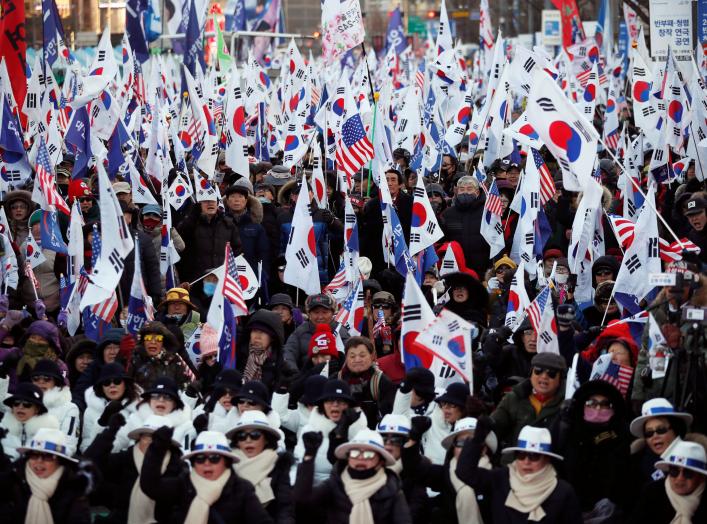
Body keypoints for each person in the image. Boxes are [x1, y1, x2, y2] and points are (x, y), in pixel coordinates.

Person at [457, 422, 582, 522]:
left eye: (534, 456)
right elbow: (465, 472)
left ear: (546, 458)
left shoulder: (563, 492)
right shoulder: (500, 478)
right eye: (521, 455)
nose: (526, 461)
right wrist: (477, 440)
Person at [140, 429, 273, 523]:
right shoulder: (183, 484)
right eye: (200, 458)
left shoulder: (241, 489)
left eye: (214, 458)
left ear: (226, 462)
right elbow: (151, 486)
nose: (207, 463)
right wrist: (157, 448)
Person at [82, 414, 186, 524]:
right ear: (139, 438)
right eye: (148, 437)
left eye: (158, 439)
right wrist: (110, 433)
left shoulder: (178, 468)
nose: (152, 443)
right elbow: (90, 462)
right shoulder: (126, 459)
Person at [294, 428, 412, 523]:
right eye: (355, 453)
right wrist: (309, 457)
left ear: (381, 461)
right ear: (348, 458)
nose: (360, 458)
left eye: (368, 454)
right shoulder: (335, 483)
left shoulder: (392, 489)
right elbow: (302, 501)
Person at [555, 380, 631, 515]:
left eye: (605, 404)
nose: (597, 409)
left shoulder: (623, 434)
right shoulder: (568, 430)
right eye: (591, 403)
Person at [402, 416, 498, 524]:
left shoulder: (497, 477)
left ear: (484, 449)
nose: (466, 448)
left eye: (471, 442)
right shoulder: (445, 474)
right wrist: (414, 438)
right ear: (453, 449)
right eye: (460, 443)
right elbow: (415, 470)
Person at [0, 428, 91, 523]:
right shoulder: (13, 482)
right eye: (34, 455)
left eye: (48, 456)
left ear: (59, 461)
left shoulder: (73, 491)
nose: (39, 461)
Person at [294, 379, 368, 485]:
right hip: (313, 490)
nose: (335, 405)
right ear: (322, 405)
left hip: (348, 489)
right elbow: (298, 466)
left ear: (349, 406)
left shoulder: (361, 433)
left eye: (341, 401)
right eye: (329, 400)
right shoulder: (310, 430)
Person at [227, 410, 294, 523]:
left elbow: (284, 507)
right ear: (237, 441)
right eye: (242, 436)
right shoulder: (227, 465)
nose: (248, 440)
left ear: (266, 439)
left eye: (255, 435)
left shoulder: (279, 465)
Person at [491, 352, 566, 450]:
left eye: (551, 373)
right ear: (531, 373)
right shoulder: (514, 397)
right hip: (515, 462)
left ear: (560, 378)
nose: (544, 376)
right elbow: (493, 428)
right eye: (538, 371)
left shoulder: (568, 405)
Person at [628, 398, 694, 496]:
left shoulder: (693, 457)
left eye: (661, 430)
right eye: (649, 433)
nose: (655, 436)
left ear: (676, 430)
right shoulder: (638, 462)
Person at [630, 440, 707, 523]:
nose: (680, 478)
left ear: (701, 477)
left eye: (688, 473)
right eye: (674, 471)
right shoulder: (652, 492)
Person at [176, 197, 242, 282]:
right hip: (196, 281)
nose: (210, 203)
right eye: (206, 201)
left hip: (222, 279)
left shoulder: (228, 225)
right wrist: (194, 215)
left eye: (213, 200)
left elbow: (237, 251)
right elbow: (182, 237)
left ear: (218, 203)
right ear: (199, 204)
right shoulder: (191, 222)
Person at [282, 293, 349, 375]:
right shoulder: (300, 332)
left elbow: (350, 354)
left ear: (332, 313)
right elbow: (288, 353)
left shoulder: (340, 331)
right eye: (316, 312)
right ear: (309, 314)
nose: (320, 317)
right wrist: (295, 374)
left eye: (324, 312)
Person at [81, 363, 141, 451]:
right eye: (106, 382)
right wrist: (102, 422)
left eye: (117, 381)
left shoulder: (139, 408)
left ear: (125, 384)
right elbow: (86, 447)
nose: (112, 385)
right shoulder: (91, 411)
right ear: (101, 387)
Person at [338, 336, 395, 426]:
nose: (357, 360)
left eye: (362, 355)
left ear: (372, 356)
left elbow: (390, 416)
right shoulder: (337, 380)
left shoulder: (381, 382)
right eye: (352, 356)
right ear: (346, 357)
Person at [440, 176, 490, 278]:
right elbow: (441, 241)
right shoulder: (447, 214)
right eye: (462, 189)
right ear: (457, 192)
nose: (465, 192)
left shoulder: (488, 213)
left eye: (469, 189)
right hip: (455, 270)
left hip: (483, 271)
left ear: (477, 192)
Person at [29, 360, 80, 453]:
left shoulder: (70, 408)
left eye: (46, 378)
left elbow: (69, 446)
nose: (41, 382)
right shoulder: (23, 403)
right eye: (36, 378)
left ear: (56, 382)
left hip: (52, 459)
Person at [0, 382, 59, 460]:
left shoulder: (49, 433)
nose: (20, 407)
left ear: (37, 409)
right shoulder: (1, 429)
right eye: (16, 403)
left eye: (27, 404)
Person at [130, 322, 190, 390]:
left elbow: (184, 389)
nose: (153, 342)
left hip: (167, 399)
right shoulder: (134, 359)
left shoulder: (174, 361)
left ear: (164, 342)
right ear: (143, 341)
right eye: (148, 338)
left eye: (158, 338)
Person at [238, 310, 286, 390]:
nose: (257, 336)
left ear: (272, 338)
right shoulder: (238, 354)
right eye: (254, 331)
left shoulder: (279, 361)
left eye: (263, 332)